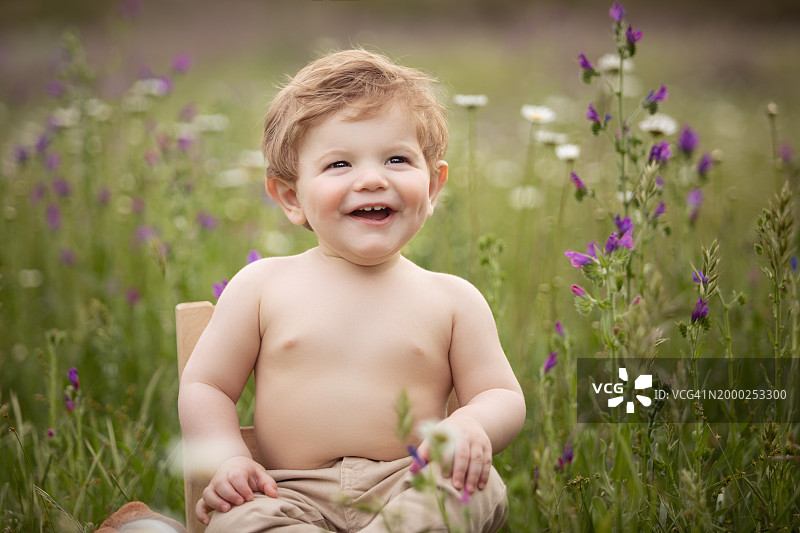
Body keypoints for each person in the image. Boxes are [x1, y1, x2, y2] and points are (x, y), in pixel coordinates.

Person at [178, 49, 526, 533]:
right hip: (287, 492)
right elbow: (207, 386)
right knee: (241, 517)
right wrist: (230, 461)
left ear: (432, 188)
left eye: (397, 159)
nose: (371, 179)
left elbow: (500, 394)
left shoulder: (452, 299)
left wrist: (471, 425)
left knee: (473, 488)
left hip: (409, 483)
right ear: (292, 197)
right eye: (339, 163)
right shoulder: (262, 286)